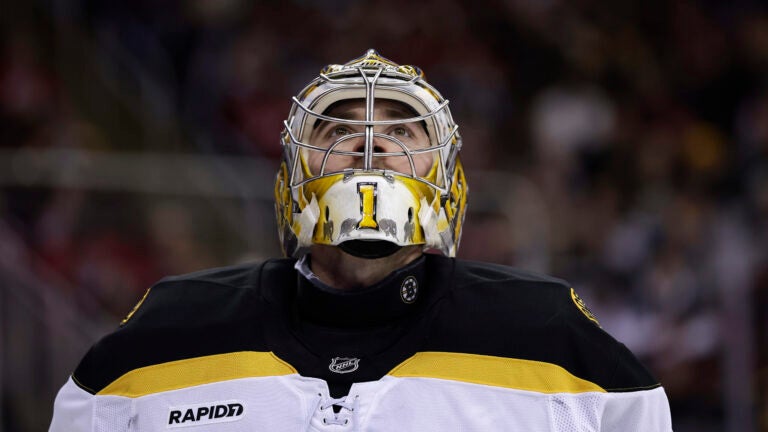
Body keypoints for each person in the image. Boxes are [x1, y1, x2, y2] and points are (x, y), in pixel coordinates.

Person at [49, 50, 673, 431]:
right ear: (292, 176)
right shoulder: (165, 334)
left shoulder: (552, 339)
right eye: (337, 130)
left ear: (447, 178)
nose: (371, 144)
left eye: (403, 131)